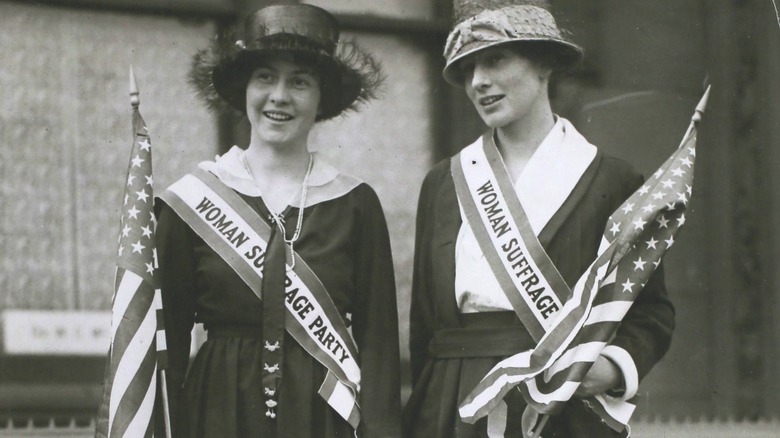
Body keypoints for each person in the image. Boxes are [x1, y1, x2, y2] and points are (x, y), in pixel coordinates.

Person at [404, 1, 675, 437]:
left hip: (562, 403)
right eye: (468, 67)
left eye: (495, 59)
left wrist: (609, 368)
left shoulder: (610, 178)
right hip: (456, 403)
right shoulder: (444, 182)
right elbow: (424, 327)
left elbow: (651, 311)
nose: (479, 82)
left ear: (544, 63)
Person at [154, 4, 401, 437]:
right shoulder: (191, 201)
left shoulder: (355, 203)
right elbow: (165, 346)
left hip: (321, 413)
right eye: (265, 77)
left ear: (321, 98)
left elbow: (379, 348)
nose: (280, 96)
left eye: (300, 82)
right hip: (217, 409)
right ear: (244, 89)